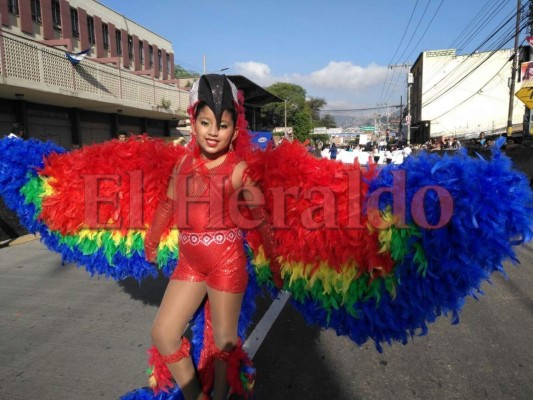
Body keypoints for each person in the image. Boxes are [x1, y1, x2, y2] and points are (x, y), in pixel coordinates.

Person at [143, 74, 277, 400]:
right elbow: (168, 204)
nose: (213, 132)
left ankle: (219, 395)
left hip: (226, 264)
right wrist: (152, 239)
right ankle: (194, 395)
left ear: (234, 131)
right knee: (163, 333)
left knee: (223, 342)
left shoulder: (239, 169)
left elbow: (260, 221)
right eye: (206, 122)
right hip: (190, 262)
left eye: (223, 125)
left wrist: (275, 262)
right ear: (194, 121)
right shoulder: (183, 164)